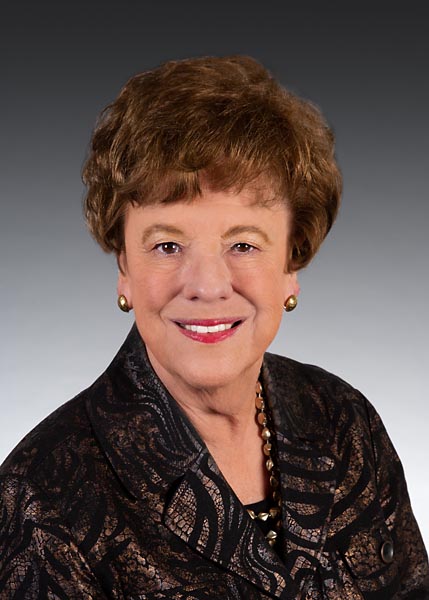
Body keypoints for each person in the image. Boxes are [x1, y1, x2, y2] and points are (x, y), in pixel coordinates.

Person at [0, 56, 427, 600]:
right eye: (167, 246)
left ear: (290, 264)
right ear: (124, 267)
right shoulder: (43, 499)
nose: (206, 286)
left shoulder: (344, 422)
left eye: (243, 244)